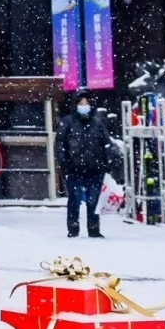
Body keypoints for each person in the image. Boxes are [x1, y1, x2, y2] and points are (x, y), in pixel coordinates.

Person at [56, 94, 114, 239]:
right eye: (81, 103)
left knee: (93, 200)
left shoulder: (97, 123)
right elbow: (60, 144)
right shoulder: (67, 122)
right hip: (73, 168)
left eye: (86, 103)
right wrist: (64, 162)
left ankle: (94, 229)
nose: (84, 106)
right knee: (74, 200)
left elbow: (106, 143)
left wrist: (108, 161)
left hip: (95, 168)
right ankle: (73, 229)